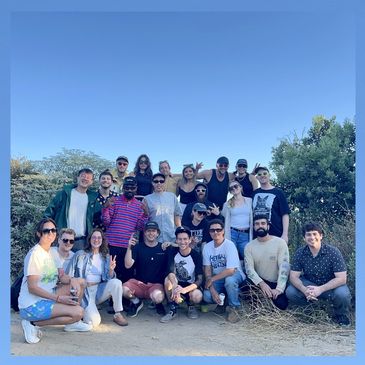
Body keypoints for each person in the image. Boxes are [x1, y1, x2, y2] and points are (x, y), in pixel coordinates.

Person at [18, 218, 92, 344]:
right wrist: (58, 299)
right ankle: (32, 323)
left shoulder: (52, 252)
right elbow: (32, 288)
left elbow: (61, 277)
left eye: (53, 230)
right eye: (47, 231)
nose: (51, 233)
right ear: (38, 233)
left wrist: (73, 279)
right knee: (79, 312)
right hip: (32, 304)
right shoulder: (35, 255)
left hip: (48, 296)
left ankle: (73, 324)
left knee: (81, 282)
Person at [285, 222, 352, 326]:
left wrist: (320, 289)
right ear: (304, 238)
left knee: (342, 294)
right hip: (310, 285)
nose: (312, 237)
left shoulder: (333, 252)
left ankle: (341, 315)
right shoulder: (300, 253)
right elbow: (293, 277)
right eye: (308, 234)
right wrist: (305, 290)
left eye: (315, 234)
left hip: (330, 285)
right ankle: (311, 311)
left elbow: (342, 278)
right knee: (290, 291)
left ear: (321, 236)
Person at [66, 228, 128, 327]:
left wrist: (111, 269)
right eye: (94, 237)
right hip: (84, 292)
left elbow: (108, 278)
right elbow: (68, 275)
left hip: (99, 289)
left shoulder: (105, 256)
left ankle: (118, 314)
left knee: (116, 282)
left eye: (99, 238)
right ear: (89, 239)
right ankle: (84, 311)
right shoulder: (80, 254)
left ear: (102, 240)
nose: (96, 240)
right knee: (93, 322)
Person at [102, 176, 148, 282]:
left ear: (136, 188)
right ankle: (109, 296)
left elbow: (140, 227)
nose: (130, 190)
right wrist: (105, 208)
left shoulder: (139, 205)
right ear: (123, 188)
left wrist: (145, 214)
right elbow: (106, 222)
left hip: (128, 247)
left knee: (127, 275)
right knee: (111, 274)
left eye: (132, 188)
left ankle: (125, 297)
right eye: (127, 187)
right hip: (112, 244)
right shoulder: (115, 201)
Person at [44, 168, 98, 251]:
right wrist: (47, 232)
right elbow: (50, 211)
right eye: (83, 176)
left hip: (81, 242)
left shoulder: (92, 199)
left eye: (88, 177)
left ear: (91, 181)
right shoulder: (65, 193)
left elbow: (98, 217)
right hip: (62, 239)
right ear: (77, 178)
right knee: (58, 263)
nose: (85, 179)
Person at [123, 221, 170, 318]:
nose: (151, 233)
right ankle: (136, 302)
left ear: (158, 233)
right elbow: (128, 265)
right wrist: (129, 247)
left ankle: (157, 303)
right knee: (123, 289)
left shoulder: (163, 248)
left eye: (153, 231)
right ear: (144, 232)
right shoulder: (137, 247)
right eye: (148, 231)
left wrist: (171, 243)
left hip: (155, 285)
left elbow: (182, 245)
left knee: (158, 297)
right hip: (139, 284)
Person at [202, 219, 246, 323]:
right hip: (217, 277)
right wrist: (212, 290)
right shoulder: (207, 247)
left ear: (223, 232)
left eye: (218, 229)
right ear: (209, 232)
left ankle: (235, 308)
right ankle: (223, 303)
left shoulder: (229, 245)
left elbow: (231, 271)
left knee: (229, 281)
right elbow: (207, 269)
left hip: (235, 274)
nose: (215, 232)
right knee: (207, 296)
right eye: (212, 230)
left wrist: (212, 279)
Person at [244, 215, 289, 310]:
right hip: (260, 282)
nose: (260, 226)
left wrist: (279, 289)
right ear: (253, 227)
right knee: (244, 285)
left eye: (263, 223)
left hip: (276, 283)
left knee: (281, 305)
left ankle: (270, 302)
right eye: (257, 224)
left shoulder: (280, 243)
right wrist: (262, 283)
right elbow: (249, 269)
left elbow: (284, 267)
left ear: (268, 226)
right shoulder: (249, 246)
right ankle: (256, 308)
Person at [160, 226, 203, 323]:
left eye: (185, 239)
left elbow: (200, 279)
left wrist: (184, 290)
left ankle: (191, 306)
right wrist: (175, 286)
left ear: (190, 239)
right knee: (168, 280)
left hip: (190, 286)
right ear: (176, 240)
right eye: (180, 239)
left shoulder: (196, 255)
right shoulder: (172, 251)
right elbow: (170, 271)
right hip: (177, 283)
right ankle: (173, 307)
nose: (182, 242)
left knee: (197, 296)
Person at [252, 166, 290, 243]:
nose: (262, 175)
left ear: (269, 175)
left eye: (265, 173)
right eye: (259, 174)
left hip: (276, 234)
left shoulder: (278, 193)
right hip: (258, 235)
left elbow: (285, 214)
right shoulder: (254, 193)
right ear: (257, 178)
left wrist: (285, 234)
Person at [143, 173, 182, 243]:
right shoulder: (146, 199)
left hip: (171, 238)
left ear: (164, 183)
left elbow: (177, 214)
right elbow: (144, 219)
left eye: (161, 181)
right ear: (152, 183)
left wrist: (179, 229)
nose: (159, 183)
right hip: (154, 239)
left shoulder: (172, 197)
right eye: (156, 181)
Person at [222, 181, 253, 260]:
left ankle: (249, 272)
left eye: (235, 186)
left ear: (240, 187)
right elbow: (223, 215)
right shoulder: (227, 204)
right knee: (232, 258)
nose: (234, 189)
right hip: (232, 233)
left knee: (248, 258)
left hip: (245, 235)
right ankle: (237, 273)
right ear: (230, 191)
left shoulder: (249, 201)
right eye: (231, 188)